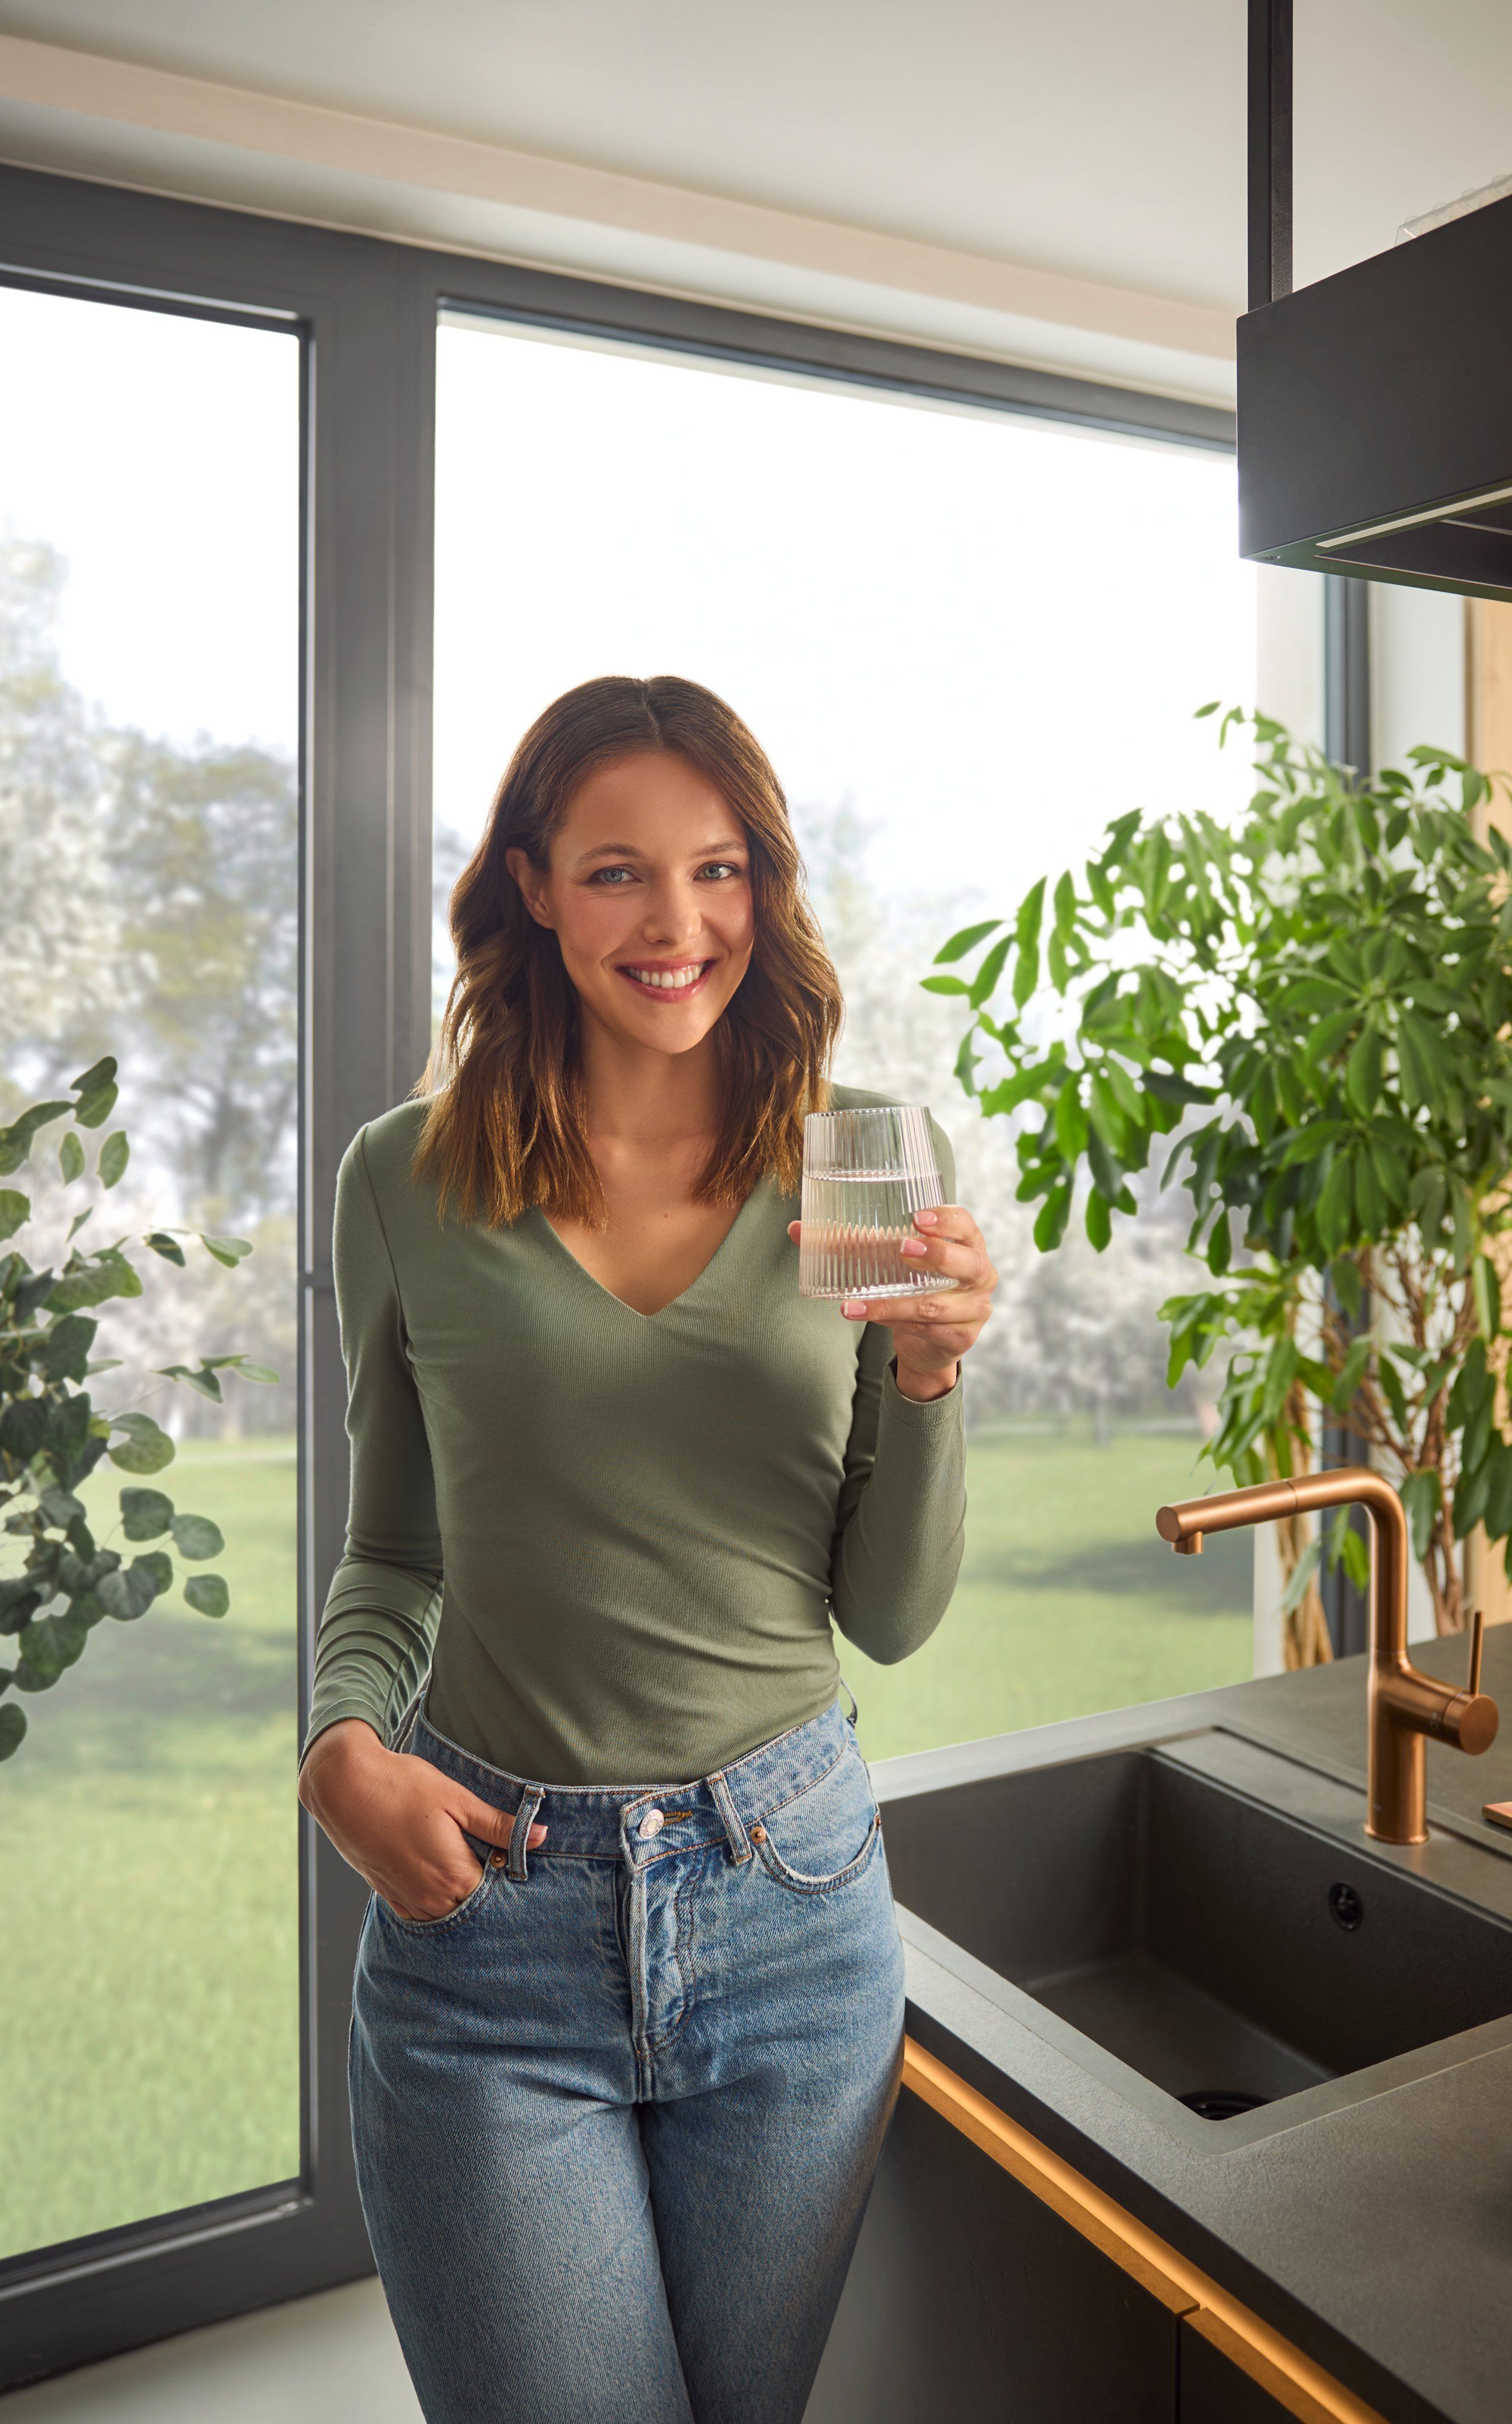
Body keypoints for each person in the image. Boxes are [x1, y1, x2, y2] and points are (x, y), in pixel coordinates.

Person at [298, 674, 997, 2424]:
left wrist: (930, 1375)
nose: (678, 924)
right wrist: (338, 1749)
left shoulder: (857, 1165)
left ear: (765, 887)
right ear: (531, 885)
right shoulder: (404, 1182)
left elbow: (891, 1617)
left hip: (794, 1909)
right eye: (618, 872)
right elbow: (392, 1550)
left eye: (721, 870)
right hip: (491, 1931)